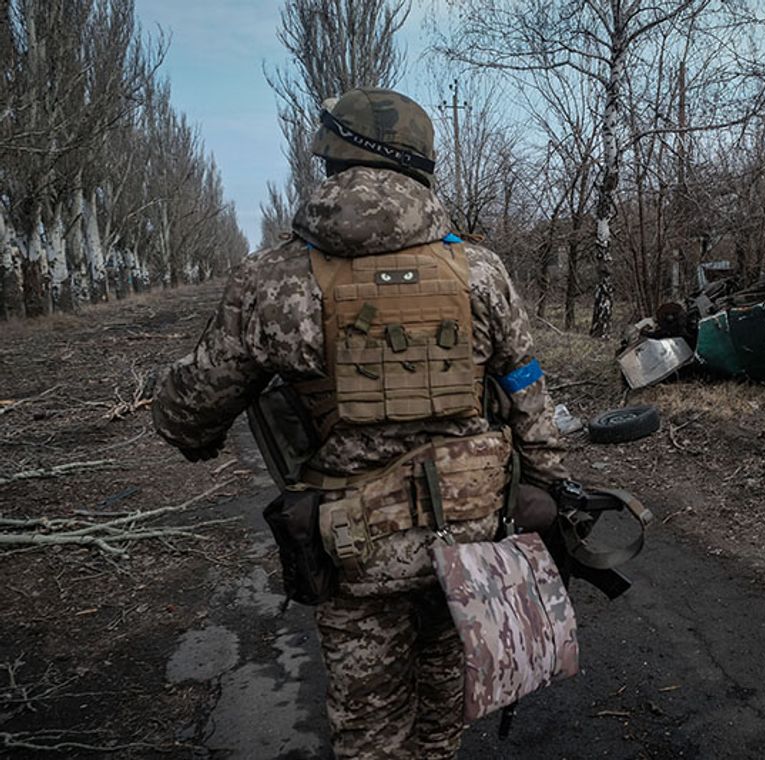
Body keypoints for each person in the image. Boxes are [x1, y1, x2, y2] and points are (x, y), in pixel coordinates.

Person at [151, 87, 568, 759]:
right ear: (422, 164)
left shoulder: (273, 279)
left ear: (330, 159)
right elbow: (526, 389)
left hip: (357, 555)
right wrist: (547, 483)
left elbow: (189, 415)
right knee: (442, 716)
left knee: (371, 734)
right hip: (469, 547)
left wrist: (176, 410)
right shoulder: (481, 272)